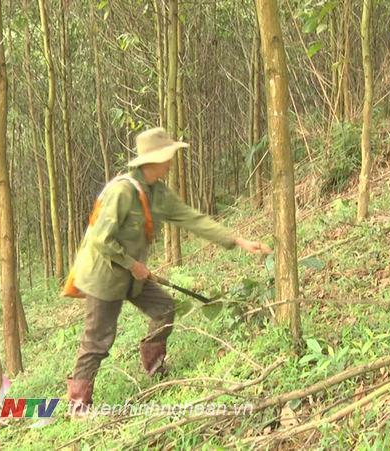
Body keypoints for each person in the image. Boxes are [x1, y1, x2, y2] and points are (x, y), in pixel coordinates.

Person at [65, 127, 270, 413]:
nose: (172, 161)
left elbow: (191, 218)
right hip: (104, 275)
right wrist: (132, 264)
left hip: (132, 274)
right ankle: (78, 404)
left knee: (163, 308)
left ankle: (154, 368)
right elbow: (100, 238)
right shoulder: (122, 191)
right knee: (98, 340)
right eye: (168, 155)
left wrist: (237, 240)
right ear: (154, 159)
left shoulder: (157, 192)